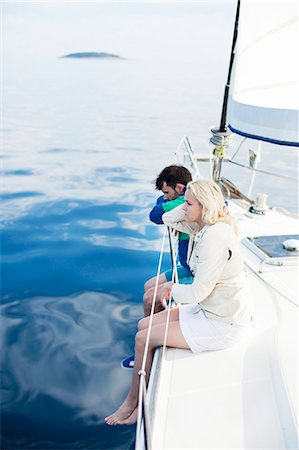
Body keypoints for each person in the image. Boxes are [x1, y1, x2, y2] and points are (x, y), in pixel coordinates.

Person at [105, 179, 253, 426]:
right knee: (145, 324)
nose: (183, 207)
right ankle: (142, 384)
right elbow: (166, 219)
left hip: (224, 324)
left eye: (188, 203)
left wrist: (171, 288)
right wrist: (187, 205)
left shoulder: (214, 237)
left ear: (204, 206)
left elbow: (197, 293)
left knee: (144, 337)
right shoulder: (205, 226)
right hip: (212, 311)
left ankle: (133, 403)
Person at [144, 165, 193, 317]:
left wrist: (171, 203)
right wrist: (168, 199)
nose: (164, 197)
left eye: (166, 192)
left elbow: (155, 215)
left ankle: (150, 329)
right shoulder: (181, 200)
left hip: (197, 274)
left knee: (149, 297)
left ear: (179, 188)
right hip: (188, 266)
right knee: (149, 285)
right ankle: (152, 324)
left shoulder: (183, 204)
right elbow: (160, 202)